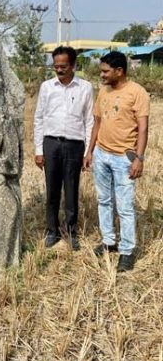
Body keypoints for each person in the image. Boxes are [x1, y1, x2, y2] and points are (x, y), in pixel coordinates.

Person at [84, 51, 149, 272]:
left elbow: (143, 129)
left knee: (125, 207)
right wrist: (90, 152)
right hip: (102, 155)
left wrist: (138, 159)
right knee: (104, 200)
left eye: (105, 71)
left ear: (119, 71)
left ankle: (127, 251)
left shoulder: (137, 93)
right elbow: (97, 123)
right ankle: (109, 242)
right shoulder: (103, 91)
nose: (101, 75)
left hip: (124, 158)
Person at [33, 46, 94, 250]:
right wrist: (39, 150)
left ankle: (70, 231)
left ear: (74, 65)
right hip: (51, 144)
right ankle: (51, 230)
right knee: (52, 191)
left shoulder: (85, 87)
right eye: (56, 66)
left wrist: (88, 152)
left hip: (74, 145)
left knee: (71, 190)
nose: (59, 70)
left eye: (63, 66)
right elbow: (39, 118)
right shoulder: (47, 87)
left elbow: (89, 120)